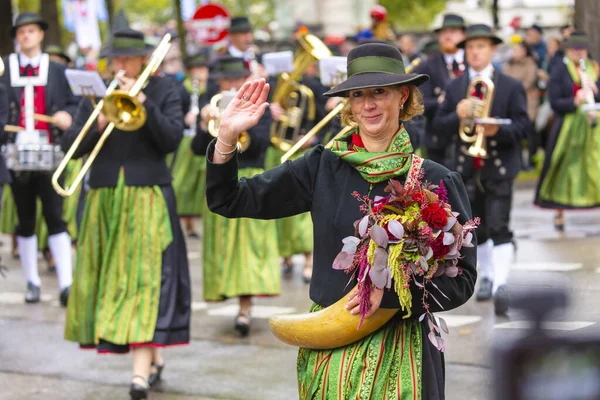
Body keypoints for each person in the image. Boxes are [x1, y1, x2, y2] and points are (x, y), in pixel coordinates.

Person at [204, 42, 476, 399]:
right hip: (331, 353)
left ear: (403, 96)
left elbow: (463, 280)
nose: (369, 104)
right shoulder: (322, 166)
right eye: (358, 94)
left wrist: (394, 293)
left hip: (404, 354)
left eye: (380, 91)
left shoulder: (434, 179)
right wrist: (226, 137)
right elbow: (230, 199)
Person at [62, 28, 190, 400]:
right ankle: (151, 356)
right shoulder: (97, 91)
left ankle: (138, 375)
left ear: (143, 59)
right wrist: (100, 118)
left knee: (147, 282)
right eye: (115, 58)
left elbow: (170, 140)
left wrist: (144, 104)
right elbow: (72, 148)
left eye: (127, 58)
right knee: (115, 284)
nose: (119, 65)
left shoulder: (165, 89)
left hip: (148, 193)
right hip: (104, 196)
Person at [433, 24, 530, 315]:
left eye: (481, 47)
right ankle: (486, 276)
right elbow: (438, 127)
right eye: (471, 47)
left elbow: (523, 127)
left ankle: (501, 283)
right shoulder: (455, 86)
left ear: (492, 50)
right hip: (466, 169)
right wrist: (456, 115)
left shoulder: (511, 85)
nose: (475, 52)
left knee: (499, 225)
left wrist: (495, 130)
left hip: (498, 166)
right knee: (477, 227)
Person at [191, 56, 279, 336]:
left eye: (234, 80)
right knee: (223, 245)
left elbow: (263, 143)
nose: (229, 85)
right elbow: (195, 148)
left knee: (250, 246)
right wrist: (204, 123)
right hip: (221, 176)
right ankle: (229, 294)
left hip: (251, 173)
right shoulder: (210, 102)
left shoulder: (258, 102)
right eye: (225, 81)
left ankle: (245, 306)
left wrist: (239, 129)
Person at [0, 12, 77, 306]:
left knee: (56, 215)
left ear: (41, 34)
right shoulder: (6, 70)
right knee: (25, 219)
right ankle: (32, 282)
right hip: (16, 152)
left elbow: (74, 103)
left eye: (31, 31)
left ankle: (67, 284)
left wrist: (66, 115)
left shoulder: (57, 71)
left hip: (51, 150)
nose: (26, 36)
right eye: (21, 32)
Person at [534, 31, 600, 230]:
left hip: (593, 126)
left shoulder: (593, 69)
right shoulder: (560, 70)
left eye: (583, 49)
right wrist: (575, 100)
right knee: (562, 167)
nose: (580, 53)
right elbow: (555, 102)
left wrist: (594, 92)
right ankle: (559, 211)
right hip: (568, 128)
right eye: (575, 49)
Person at [415, 14, 467, 166]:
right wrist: (440, 101)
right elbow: (419, 104)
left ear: (464, 35)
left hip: (468, 137)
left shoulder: (473, 63)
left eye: (453, 31)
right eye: (444, 32)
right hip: (439, 140)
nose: (448, 36)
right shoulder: (428, 66)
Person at [169, 51, 211, 237]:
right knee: (184, 181)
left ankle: (197, 218)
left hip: (205, 138)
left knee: (202, 181)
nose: (202, 72)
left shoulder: (210, 89)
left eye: (204, 68)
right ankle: (183, 220)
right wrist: (185, 117)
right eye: (198, 68)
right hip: (188, 140)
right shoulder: (182, 90)